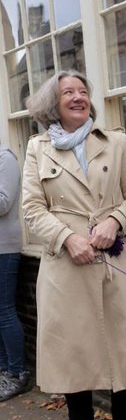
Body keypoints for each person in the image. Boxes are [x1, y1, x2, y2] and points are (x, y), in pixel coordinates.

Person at [21, 70, 126, 420]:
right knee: (75, 358)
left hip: (115, 263)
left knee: (123, 353)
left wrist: (115, 221)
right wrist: (66, 237)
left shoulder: (116, 141)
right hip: (66, 269)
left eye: (82, 91)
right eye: (68, 93)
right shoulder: (37, 148)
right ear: (52, 104)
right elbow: (31, 209)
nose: (78, 97)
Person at [0, 143, 27, 403]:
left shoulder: (5, 158)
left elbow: (4, 203)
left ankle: (17, 373)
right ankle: (3, 371)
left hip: (4, 248)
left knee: (5, 311)